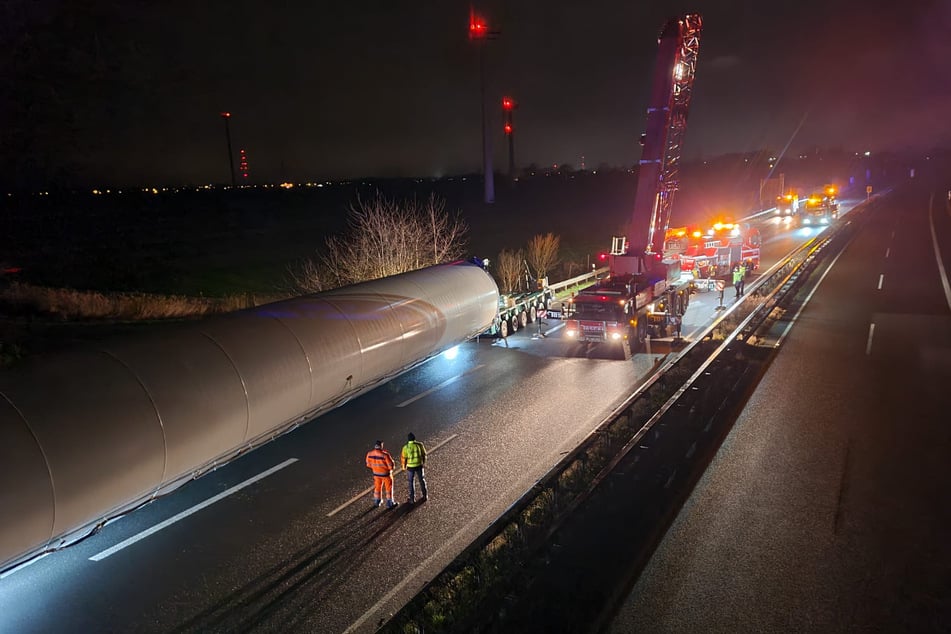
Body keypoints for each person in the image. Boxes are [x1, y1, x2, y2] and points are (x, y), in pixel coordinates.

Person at [366, 440, 398, 509]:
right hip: (386, 475)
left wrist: (375, 468)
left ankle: (377, 501)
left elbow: (368, 464)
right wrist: (389, 468)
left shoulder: (369, 454)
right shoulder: (385, 455)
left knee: (377, 487)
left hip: (376, 474)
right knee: (388, 488)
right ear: (381, 446)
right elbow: (391, 466)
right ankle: (390, 503)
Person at [401, 433, 428, 503]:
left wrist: (404, 467)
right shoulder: (420, 444)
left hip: (410, 467)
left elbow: (404, 458)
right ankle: (425, 496)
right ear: (414, 438)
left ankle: (412, 499)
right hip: (419, 465)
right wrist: (423, 463)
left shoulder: (405, 447)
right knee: (422, 480)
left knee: (411, 482)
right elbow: (424, 454)